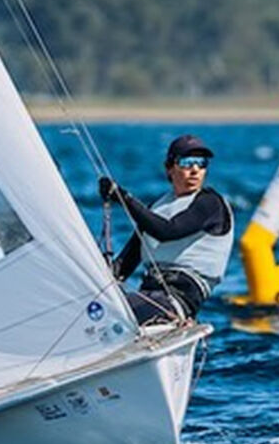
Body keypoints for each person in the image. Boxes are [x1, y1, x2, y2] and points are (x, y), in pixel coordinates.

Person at [98, 134, 233, 325]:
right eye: (187, 162)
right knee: (95, 311)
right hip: (148, 294)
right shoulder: (157, 207)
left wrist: (123, 197)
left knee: (112, 317)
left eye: (201, 163)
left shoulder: (210, 203)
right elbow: (124, 266)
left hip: (178, 299)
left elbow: (167, 231)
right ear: (169, 168)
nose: (195, 170)